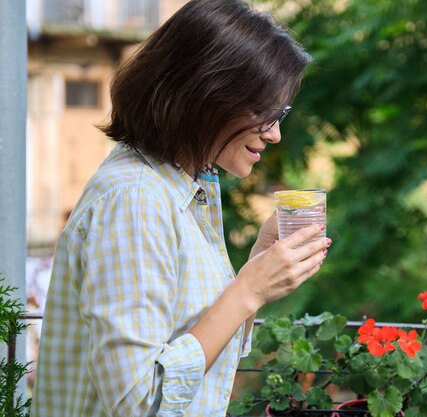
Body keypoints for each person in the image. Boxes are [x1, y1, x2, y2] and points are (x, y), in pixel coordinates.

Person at [30, 1, 330, 416]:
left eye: (279, 114)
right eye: (264, 113)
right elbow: (137, 402)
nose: (275, 133)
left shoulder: (186, 189)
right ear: (208, 95)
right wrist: (247, 291)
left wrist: (257, 267)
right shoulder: (135, 200)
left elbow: (198, 349)